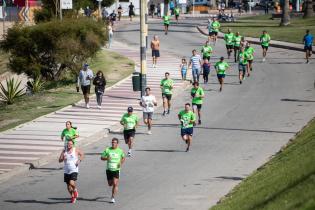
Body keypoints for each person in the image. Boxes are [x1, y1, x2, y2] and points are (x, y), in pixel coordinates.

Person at [101, 137, 125, 204]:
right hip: (109, 169)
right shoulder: (107, 150)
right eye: (112, 142)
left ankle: (113, 197)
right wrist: (106, 158)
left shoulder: (120, 151)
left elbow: (123, 158)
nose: (113, 143)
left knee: (115, 183)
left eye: (114, 142)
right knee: (110, 184)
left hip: (116, 169)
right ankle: (112, 190)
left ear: (117, 144)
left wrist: (120, 163)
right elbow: (101, 157)